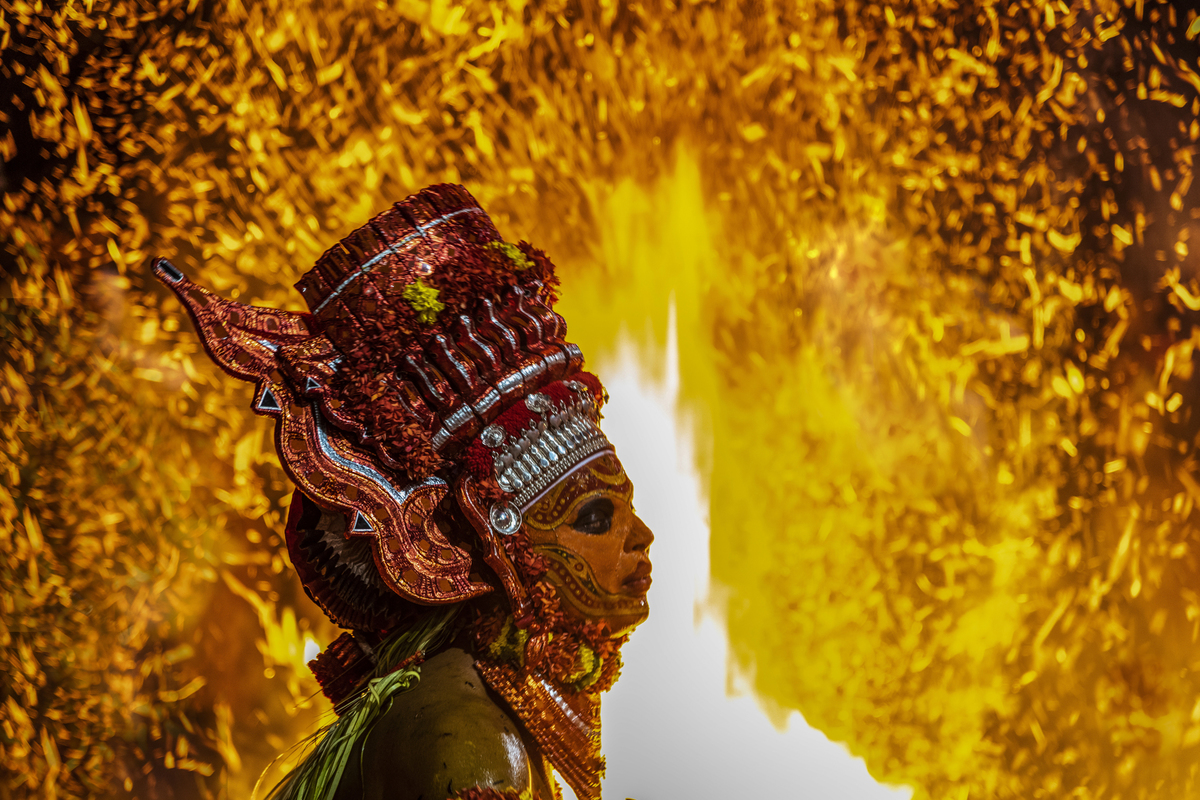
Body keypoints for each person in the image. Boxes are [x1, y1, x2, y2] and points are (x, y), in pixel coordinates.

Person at [152, 184, 654, 800]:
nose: (643, 537)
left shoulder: (479, 699)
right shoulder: (472, 750)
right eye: (595, 515)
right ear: (502, 543)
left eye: (628, 506)